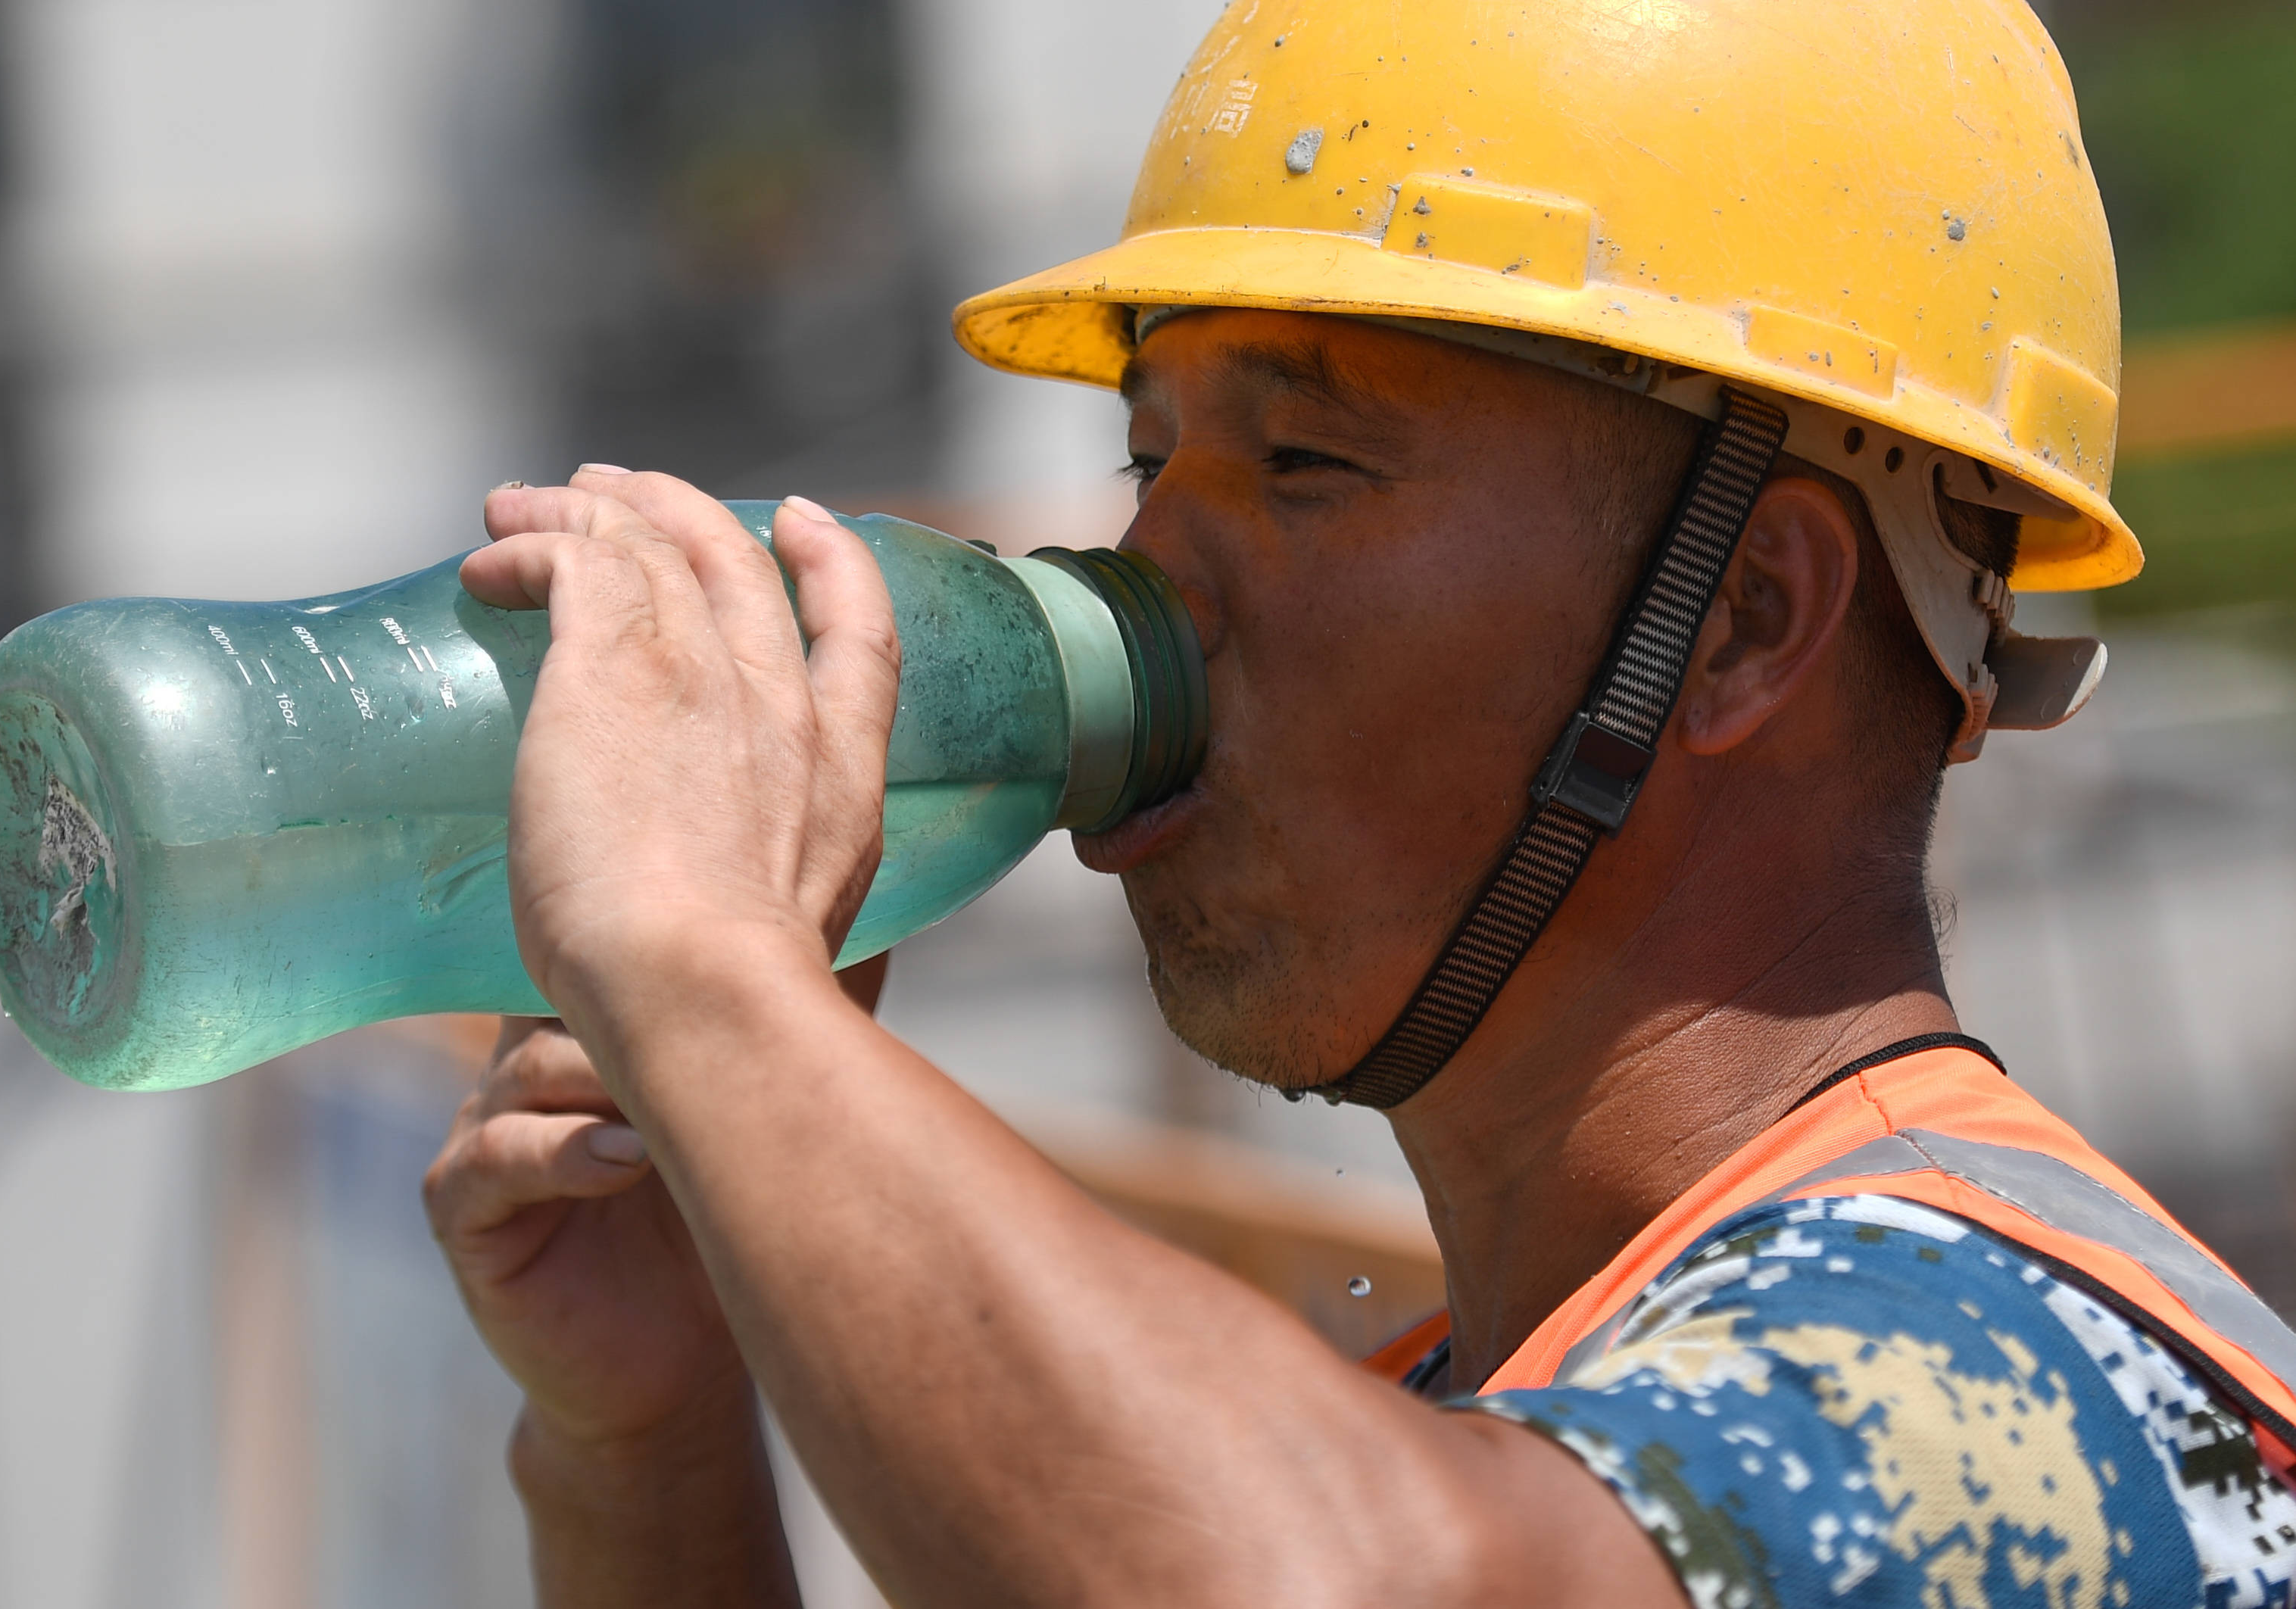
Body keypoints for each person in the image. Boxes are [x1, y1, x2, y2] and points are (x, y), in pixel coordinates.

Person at [424, 2, 2296, 1604]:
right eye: (1147, 460)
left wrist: (703, 973)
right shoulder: (1481, 1425)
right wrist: (654, 1449)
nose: (1141, 577)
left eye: (1304, 459)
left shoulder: (2024, 1375)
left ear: (1740, 619)